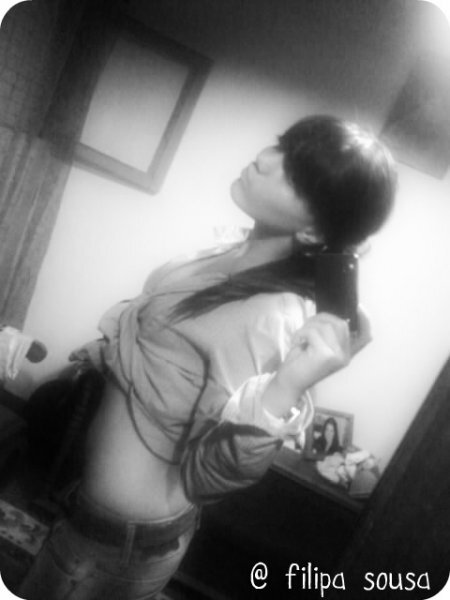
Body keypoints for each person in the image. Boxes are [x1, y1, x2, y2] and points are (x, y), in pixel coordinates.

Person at [19, 115, 397, 599]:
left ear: (311, 231)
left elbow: (209, 476)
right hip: (83, 515)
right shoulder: (227, 254)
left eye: (294, 174)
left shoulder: (270, 316)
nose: (264, 159)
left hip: (116, 549)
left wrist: (287, 387)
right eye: (280, 145)